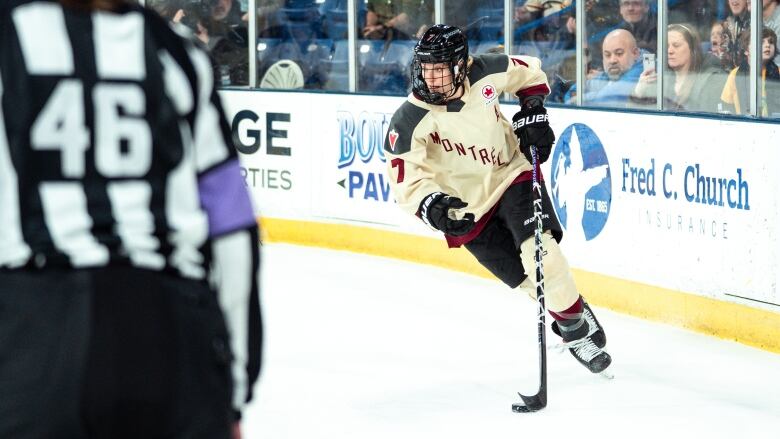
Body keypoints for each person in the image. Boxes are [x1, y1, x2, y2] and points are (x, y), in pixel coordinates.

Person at [0, 1, 262, 438]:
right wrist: (232, 391)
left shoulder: (8, 42)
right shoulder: (176, 53)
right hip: (170, 341)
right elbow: (232, 231)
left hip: (34, 339)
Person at [383, 24, 612, 375]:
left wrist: (532, 108)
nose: (430, 78)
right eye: (425, 68)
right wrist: (434, 206)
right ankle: (572, 308)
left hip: (510, 174)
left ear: (461, 64)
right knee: (524, 279)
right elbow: (405, 178)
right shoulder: (410, 118)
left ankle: (574, 330)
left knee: (543, 257)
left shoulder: (485, 71)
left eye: (439, 69)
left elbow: (529, 73)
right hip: (467, 209)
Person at [632, 23, 727, 112]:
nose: (670, 51)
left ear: (693, 49)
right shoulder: (661, 79)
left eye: (676, 46)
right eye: (666, 46)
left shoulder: (713, 80)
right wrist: (639, 92)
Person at [565, 29, 644, 106]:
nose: (612, 60)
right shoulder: (609, 74)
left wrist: (578, 99)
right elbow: (571, 93)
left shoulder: (642, 69)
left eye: (619, 53)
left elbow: (609, 98)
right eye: (607, 55)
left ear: (635, 53)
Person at [720, 28, 780, 115]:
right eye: (761, 42)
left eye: (771, 42)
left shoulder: (778, 72)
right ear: (746, 50)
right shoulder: (736, 74)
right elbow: (727, 106)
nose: (767, 45)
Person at [363, 0, 433, 40]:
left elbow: (406, 17)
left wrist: (382, 27)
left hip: (407, 38)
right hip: (382, 39)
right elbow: (372, 10)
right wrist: (370, 28)